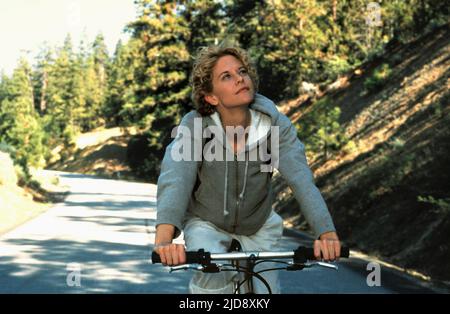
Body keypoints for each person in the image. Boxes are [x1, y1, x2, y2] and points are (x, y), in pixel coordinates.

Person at [153, 44, 341, 294]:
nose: (240, 78)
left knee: (266, 292)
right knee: (213, 278)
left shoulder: (275, 124)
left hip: (258, 223)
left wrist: (326, 233)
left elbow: (301, 179)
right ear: (211, 97)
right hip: (206, 223)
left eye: (242, 71)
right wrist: (164, 242)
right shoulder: (195, 126)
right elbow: (176, 178)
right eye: (226, 76)